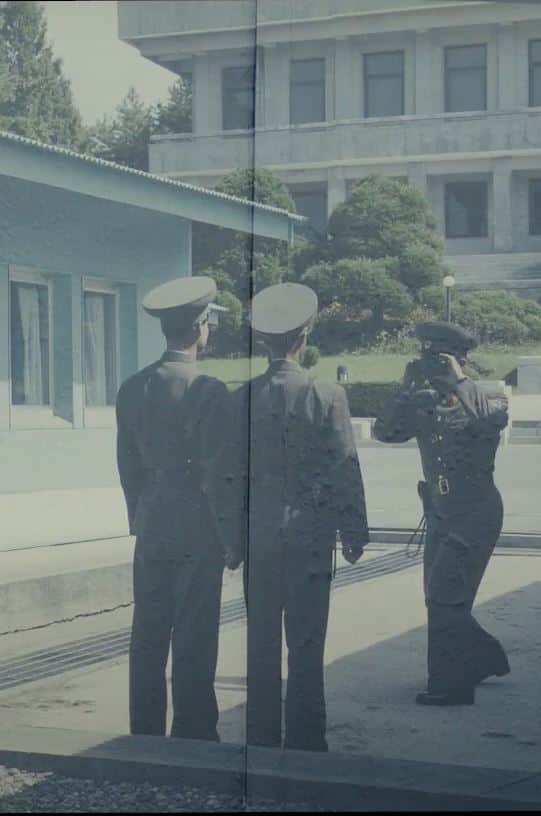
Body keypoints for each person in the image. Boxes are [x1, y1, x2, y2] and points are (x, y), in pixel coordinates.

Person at [238, 283, 369, 752]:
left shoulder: (242, 398)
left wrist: (234, 541)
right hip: (310, 537)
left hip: (259, 538)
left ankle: (261, 740)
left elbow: (228, 475)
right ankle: (307, 743)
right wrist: (355, 530)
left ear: (263, 341)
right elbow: (344, 466)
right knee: (307, 646)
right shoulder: (325, 394)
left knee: (261, 645)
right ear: (304, 337)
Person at [114, 275, 237, 740]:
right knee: (194, 634)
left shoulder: (133, 387)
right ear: (201, 326)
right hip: (198, 527)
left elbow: (127, 465)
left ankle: (144, 733)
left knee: (147, 633)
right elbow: (220, 474)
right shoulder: (208, 389)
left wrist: (139, 516)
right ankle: (194, 732)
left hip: (152, 524)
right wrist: (231, 536)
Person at [372, 320, 511, 707]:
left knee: (445, 596)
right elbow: (384, 432)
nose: (431, 364)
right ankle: (482, 658)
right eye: (426, 355)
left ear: (460, 358)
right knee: (441, 599)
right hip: (439, 512)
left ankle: (451, 687)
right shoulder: (422, 401)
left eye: (439, 357)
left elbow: (489, 427)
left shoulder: (487, 397)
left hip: (476, 511)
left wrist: (460, 383)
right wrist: (405, 389)